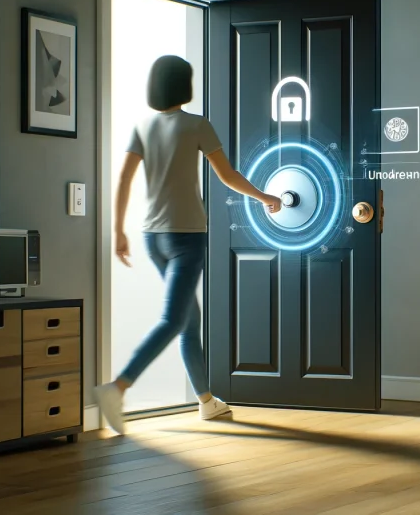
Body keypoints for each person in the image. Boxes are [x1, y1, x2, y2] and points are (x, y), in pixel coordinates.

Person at [95, 55, 282, 435]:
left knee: (188, 320)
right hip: (187, 238)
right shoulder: (197, 125)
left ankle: (206, 402)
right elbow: (227, 176)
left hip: (152, 238)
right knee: (174, 319)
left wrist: (118, 231)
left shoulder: (142, 126)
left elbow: (124, 181)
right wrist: (265, 197)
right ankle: (118, 386)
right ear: (185, 85)